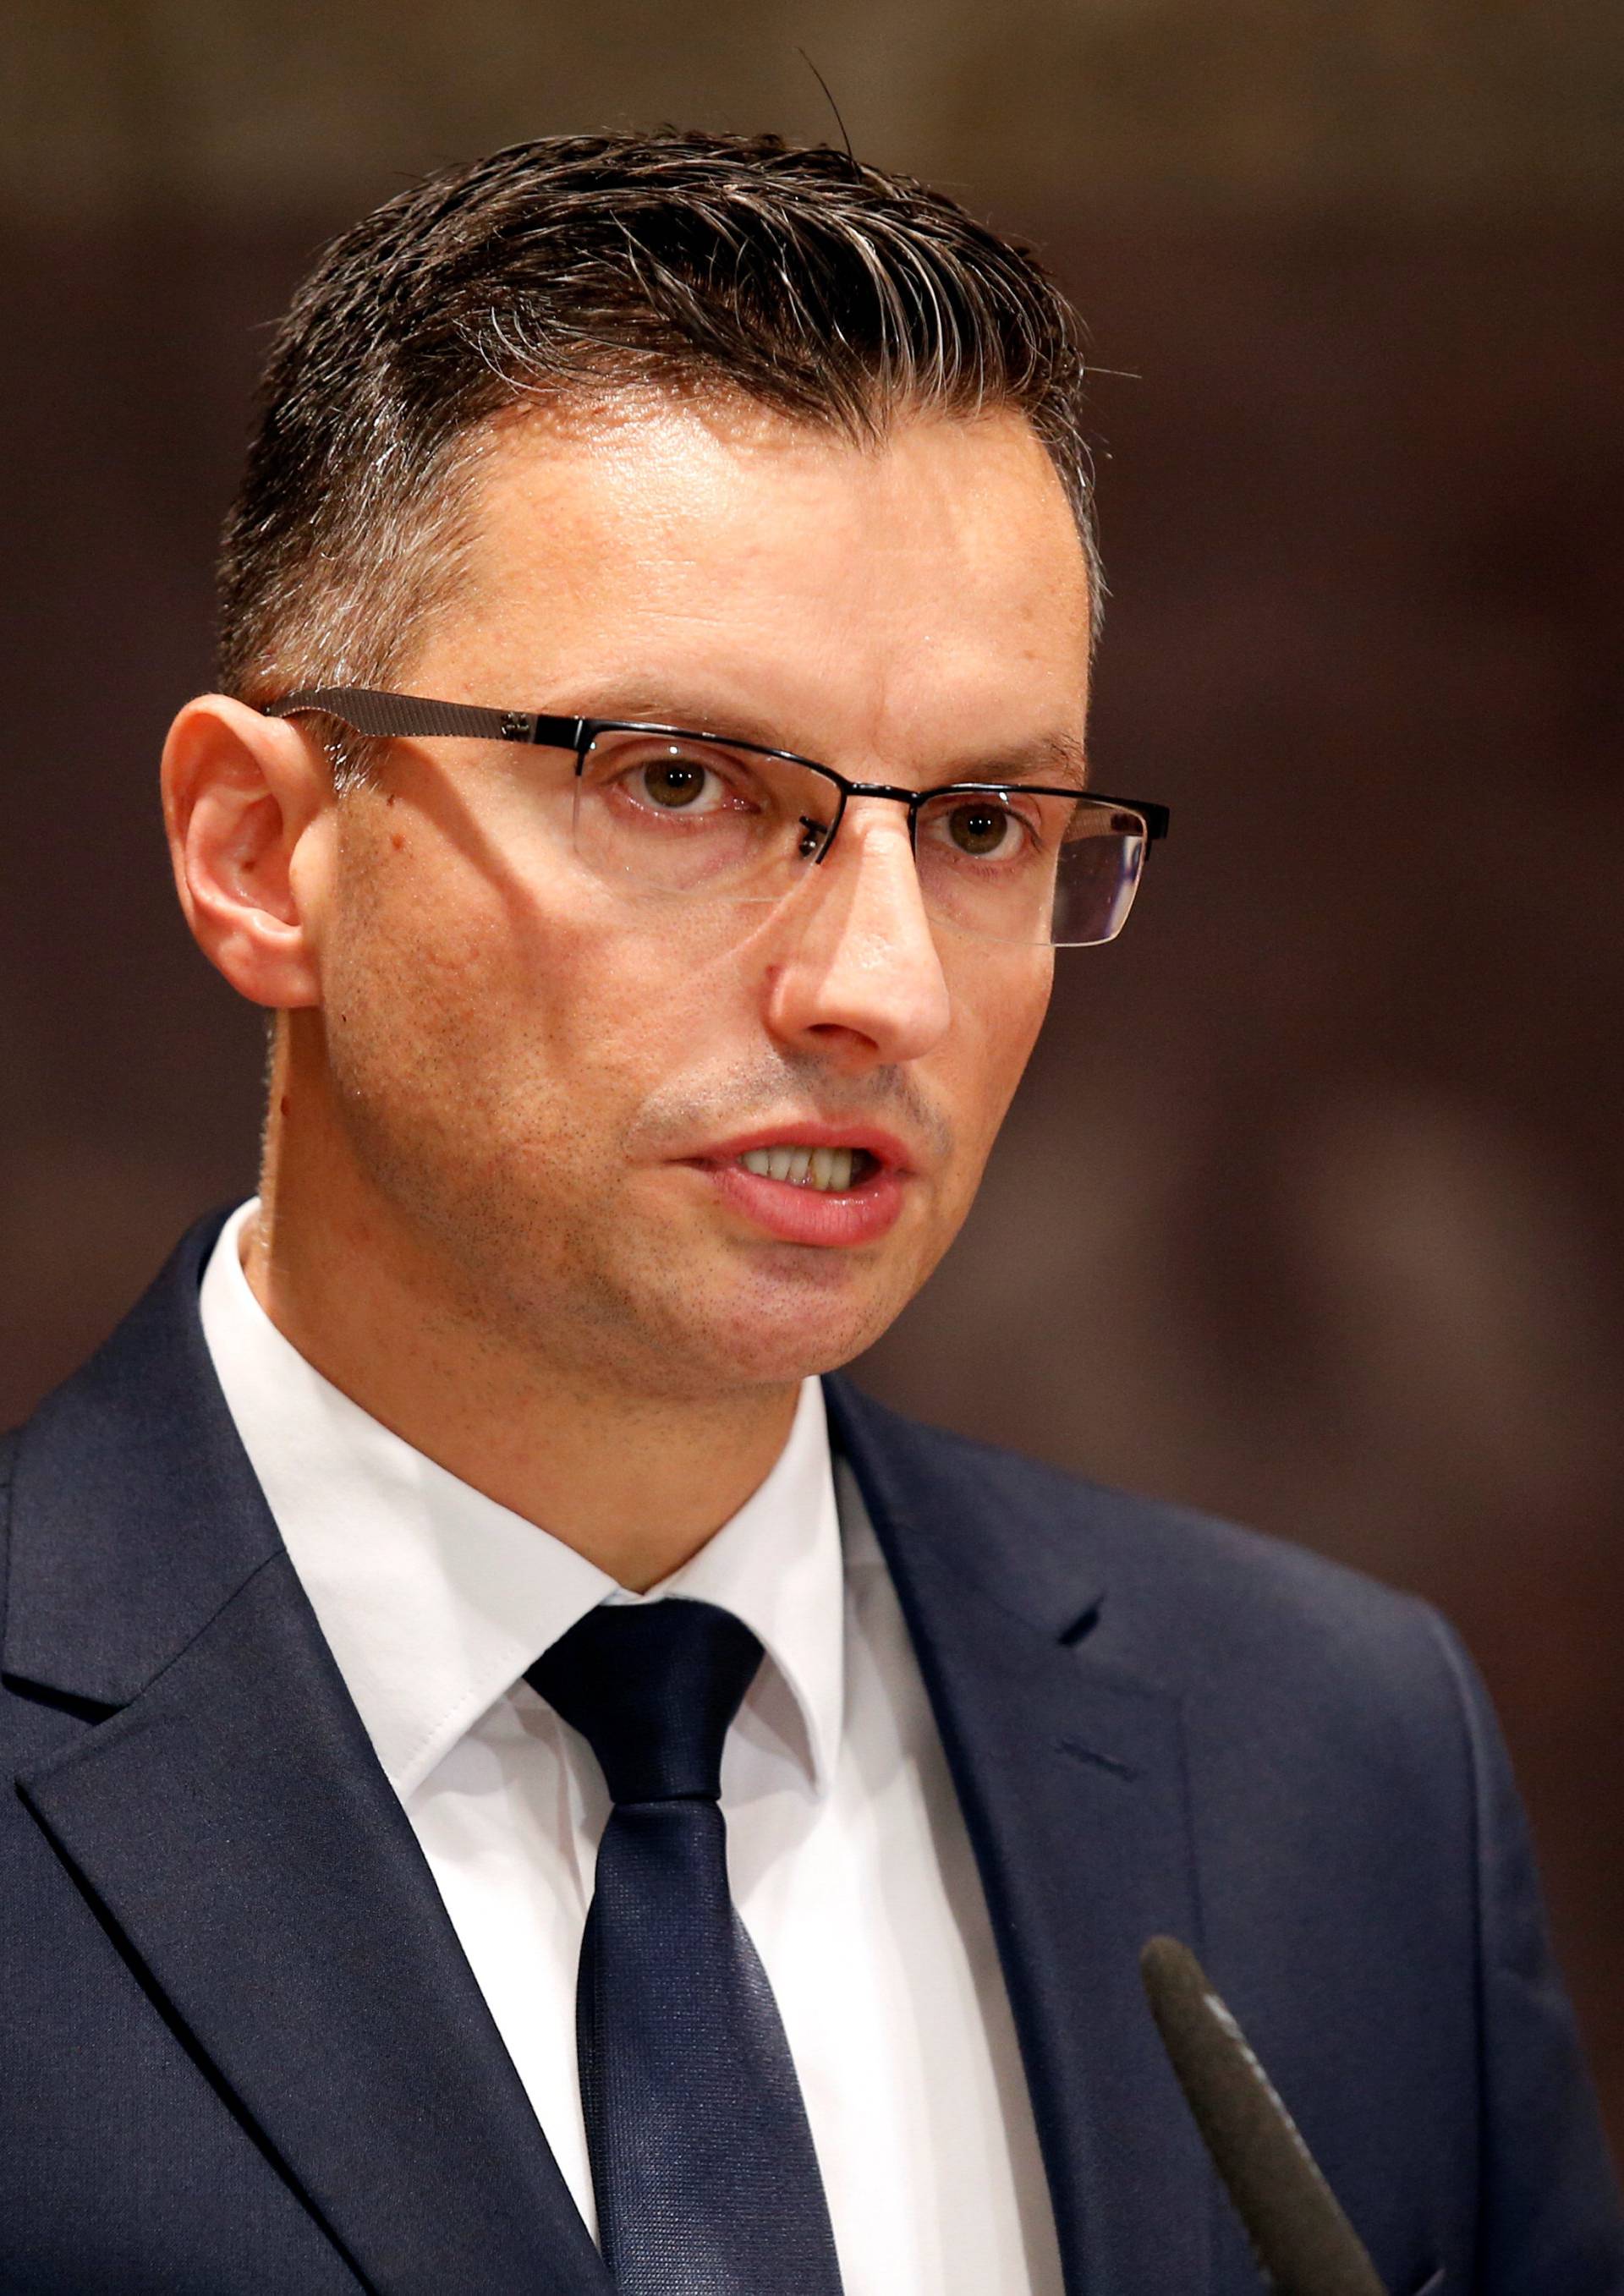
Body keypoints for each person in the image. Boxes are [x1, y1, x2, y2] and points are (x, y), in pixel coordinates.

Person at [1, 131, 1617, 2296]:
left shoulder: (1336, 1760)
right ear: (261, 846)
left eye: (978, 820)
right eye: (678, 782)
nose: (880, 985)